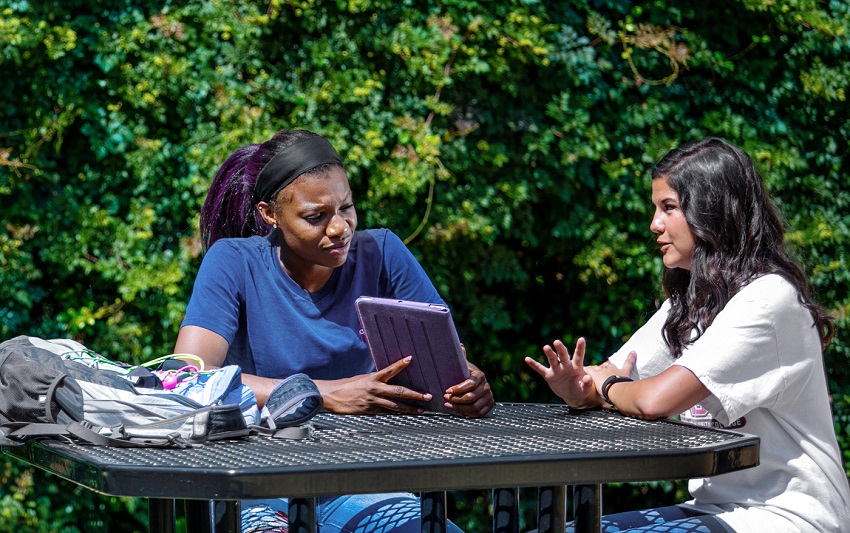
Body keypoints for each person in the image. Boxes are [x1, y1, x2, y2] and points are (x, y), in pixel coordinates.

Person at [175, 128, 494, 532]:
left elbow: (444, 360)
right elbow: (186, 377)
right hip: (255, 478)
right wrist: (323, 393)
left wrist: (467, 386)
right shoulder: (234, 262)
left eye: (347, 208)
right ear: (269, 214)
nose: (340, 227)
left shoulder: (382, 253)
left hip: (362, 480)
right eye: (316, 216)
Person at [525, 137, 850, 532]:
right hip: (716, 507)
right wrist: (581, 390)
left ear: (711, 214)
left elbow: (653, 399)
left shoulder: (768, 300)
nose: (654, 225)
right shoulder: (692, 304)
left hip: (789, 517)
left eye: (669, 208)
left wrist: (607, 387)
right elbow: (610, 374)